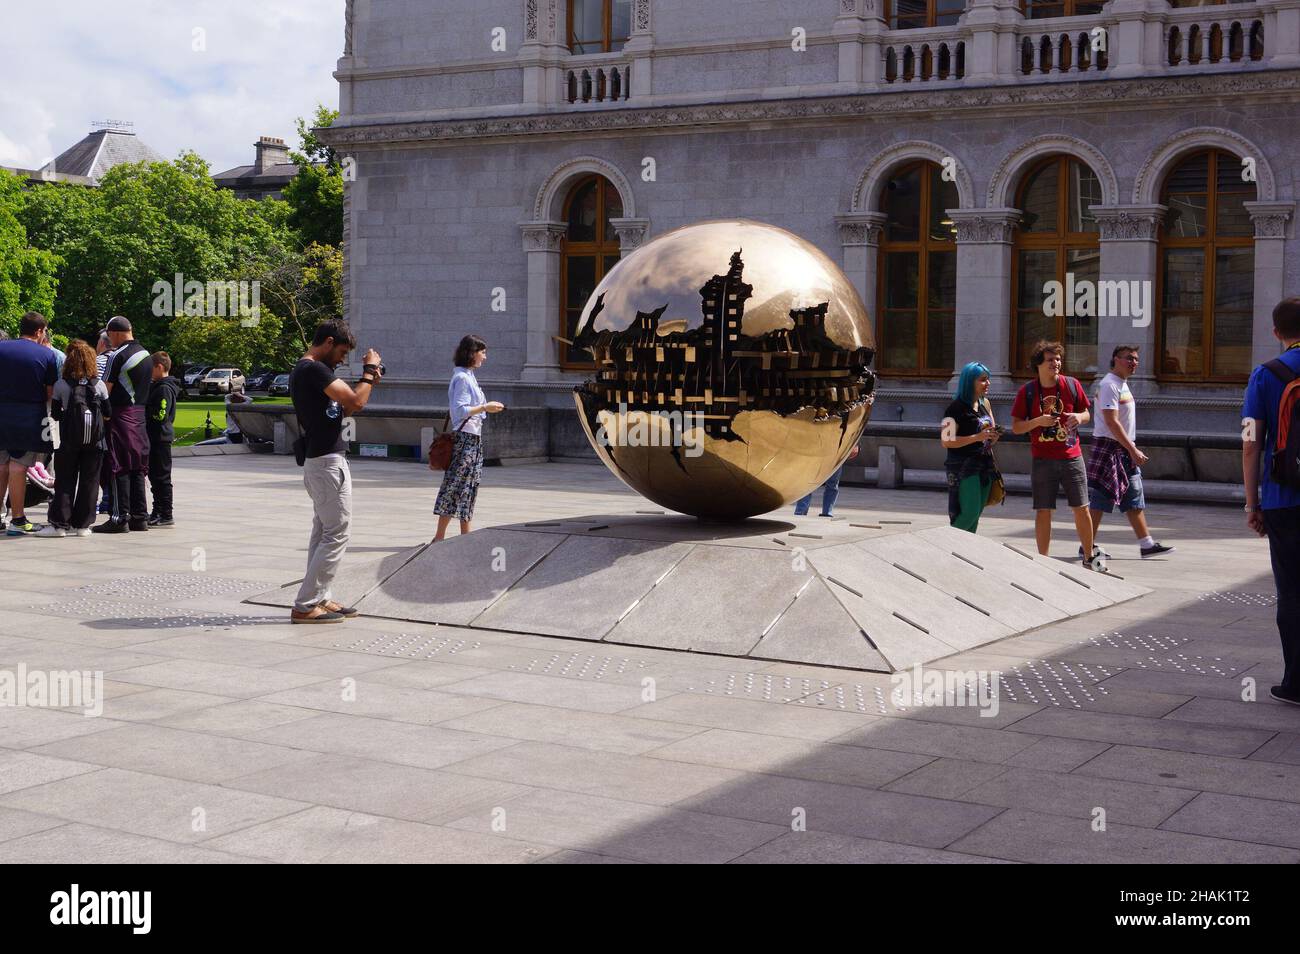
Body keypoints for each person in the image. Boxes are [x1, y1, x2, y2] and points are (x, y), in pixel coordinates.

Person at [288, 319, 383, 623]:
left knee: (323, 532)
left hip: (320, 461)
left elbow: (348, 406)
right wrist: (368, 371)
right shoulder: (314, 369)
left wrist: (368, 382)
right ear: (327, 342)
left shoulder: (307, 371)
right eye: (342, 352)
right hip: (326, 462)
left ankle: (320, 596)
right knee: (336, 533)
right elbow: (356, 400)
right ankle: (305, 605)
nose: (343, 359)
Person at [1242, 297, 1300, 707]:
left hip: (1283, 499)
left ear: (1276, 332)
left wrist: (1252, 504)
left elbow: (1250, 444)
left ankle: (1296, 683)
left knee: (1293, 593)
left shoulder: (1265, 375)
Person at [1011, 340, 1101, 568]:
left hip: (1072, 456)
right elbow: (1016, 427)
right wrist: (1038, 421)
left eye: (1059, 359)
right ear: (1039, 364)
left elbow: (1087, 413)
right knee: (1043, 509)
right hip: (1043, 459)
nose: (1056, 363)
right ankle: (1043, 560)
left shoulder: (1071, 385)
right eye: (1051, 360)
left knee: (1082, 507)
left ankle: (1089, 557)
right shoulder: (1028, 392)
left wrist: (1079, 418)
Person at [1086, 344, 1174, 560]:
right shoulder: (1109, 385)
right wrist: (1132, 449)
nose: (1133, 363)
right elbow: (1112, 422)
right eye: (1129, 358)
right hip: (1110, 448)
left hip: (1122, 448)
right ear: (1116, 359)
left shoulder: (1122, 384)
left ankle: (1147, 545)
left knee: (1133, 496)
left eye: (1135, 359)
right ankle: (1086, 544)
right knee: (1100, 499)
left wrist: (1130, 449)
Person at [434, 334, 504, 541]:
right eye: (482, 352)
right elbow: (460, 409)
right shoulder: (463, 378)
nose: (485, 357)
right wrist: (485, 407)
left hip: (472, 439)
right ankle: (439, 536)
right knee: (456, 485)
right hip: (465, 439)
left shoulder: (468, 375)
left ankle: (465, 535)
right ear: (472, 353)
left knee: (468, 487)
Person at [37, 340, 109, 538]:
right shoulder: (99, 385)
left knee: (65, 481)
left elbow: (57, 414)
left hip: (68, 440)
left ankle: (60, 524)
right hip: (94, 442)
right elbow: (108, 412)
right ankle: (83, 525)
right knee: (90, 482)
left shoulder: (62, 385)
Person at [0, 312, 58, 535]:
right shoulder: (46, 354)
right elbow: (50, 392)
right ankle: (18, 518)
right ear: (39, 331)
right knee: (18, 466)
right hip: (27, 415)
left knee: (1, 464)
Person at [94, 316, 153, 533]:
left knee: (118, 466)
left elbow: (105, 391)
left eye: (109, 335)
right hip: (139, 415)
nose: (109, 340)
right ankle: (140, 516)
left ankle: (119, 517)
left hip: (120, 415)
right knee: (138, 465)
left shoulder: (117, 355)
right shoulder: (146, 354)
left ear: (115, 333)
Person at [941, 361, 1002, 533]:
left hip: (985, 464)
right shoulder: (954, 409)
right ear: (970, 382)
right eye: (983, 380)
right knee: (969, 513)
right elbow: (945, 441)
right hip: (963, 466)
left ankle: (963, 553)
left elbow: (989, 435)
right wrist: (977, 437)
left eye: (988, 379)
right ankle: (946, 545)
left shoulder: (985, 403)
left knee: (975, 515)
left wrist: (993, 436)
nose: (987, 383)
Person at [146, 352, 181, 527]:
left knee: (162, 477)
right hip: (155, 437)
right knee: (155, 476)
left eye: (150, 368)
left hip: (160, 438)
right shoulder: (158, 386)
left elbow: (161, 414)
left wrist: (146, 413)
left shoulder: (164, 389)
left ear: (159, 367)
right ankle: (158, 510)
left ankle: (165, 513)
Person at [794, 446, 859, 517]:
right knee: (807, 482)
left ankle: (827, 512)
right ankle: (801, 511)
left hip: (836, 450)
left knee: (832, 483)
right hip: (817, 449)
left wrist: (855, 444)